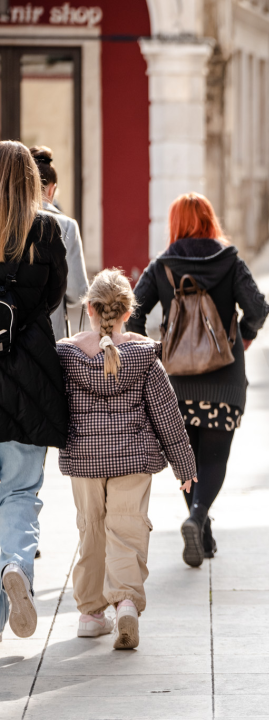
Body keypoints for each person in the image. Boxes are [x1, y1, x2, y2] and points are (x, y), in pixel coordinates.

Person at [57, 269, 197, 650]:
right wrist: (185, 466)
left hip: (84, 459)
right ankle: (126, 604)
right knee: (127, 529)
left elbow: (54, 408)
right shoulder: (143, 354)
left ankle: (90, 615)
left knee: (91, 529)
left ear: (88, 308)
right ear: (127, 312)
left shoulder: (67, 354)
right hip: (132, 458)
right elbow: (167, 413)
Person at [129, 193, 269, 568]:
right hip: (224, 378)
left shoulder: (162, 265)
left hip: (176, 383)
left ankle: (200, 528)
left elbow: (132, 313)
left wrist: (154, 352)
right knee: (215, 457)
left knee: (186, 459)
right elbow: (257, 307)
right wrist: (246, 333)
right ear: (210, 220)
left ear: (174, 223)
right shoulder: (229, 259)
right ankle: (197, 519)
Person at [0, 140, 69, 642]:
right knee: (21, 493)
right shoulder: (47, 229)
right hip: (31, 378)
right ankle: (17, 565)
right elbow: (53, 298)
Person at [31, 146, 89, 340]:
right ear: (52, 189)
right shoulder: (67, 226)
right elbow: (77, 292)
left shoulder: (8, 221)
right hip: (51, 337)